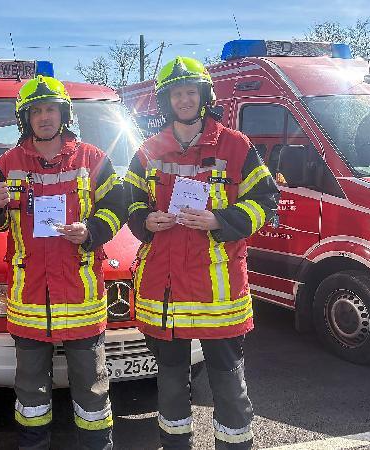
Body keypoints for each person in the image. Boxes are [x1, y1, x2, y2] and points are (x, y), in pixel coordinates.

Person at [124, 57, 279, 450]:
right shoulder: (147, 151)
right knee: (172, 389)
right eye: (176, 93)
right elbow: (127, 203)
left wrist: (219, 220)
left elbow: (266, 201)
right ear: (166, 100)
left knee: (229, 388)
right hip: (165, 292)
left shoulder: (236, 145)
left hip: (219, 294)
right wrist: (145, 221)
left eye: (191, 91)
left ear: (204, 95)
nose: (185, 99)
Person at [0, 75, 126, 450]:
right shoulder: (6, 163)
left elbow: (118, 207)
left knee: (92, 390)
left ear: (64, 113)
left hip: (82, 298)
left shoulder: (94, 159)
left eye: (51, 109)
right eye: (37, 111)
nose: (44, 117)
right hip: (28, 299)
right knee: (30, 392)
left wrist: (91, 230)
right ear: (25, 117)